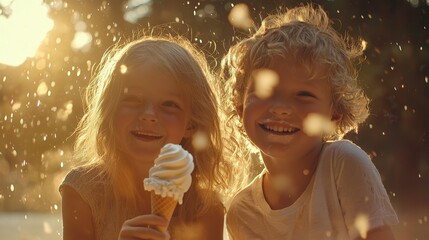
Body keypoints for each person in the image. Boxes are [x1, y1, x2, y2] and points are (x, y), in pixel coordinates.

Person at [219, 4, 399, 240]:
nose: (281, 108)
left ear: (334, 114)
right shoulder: (241, 212)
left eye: (304, 95)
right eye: (265, 91)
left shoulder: (342, 165)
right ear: (241, 107)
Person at [59, 35, 241, 240]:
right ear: (110, 111)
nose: (148, 114)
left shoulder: (205, 208)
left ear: (191, 123)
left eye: (169, 104)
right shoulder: (84, 191)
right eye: (133, 99)